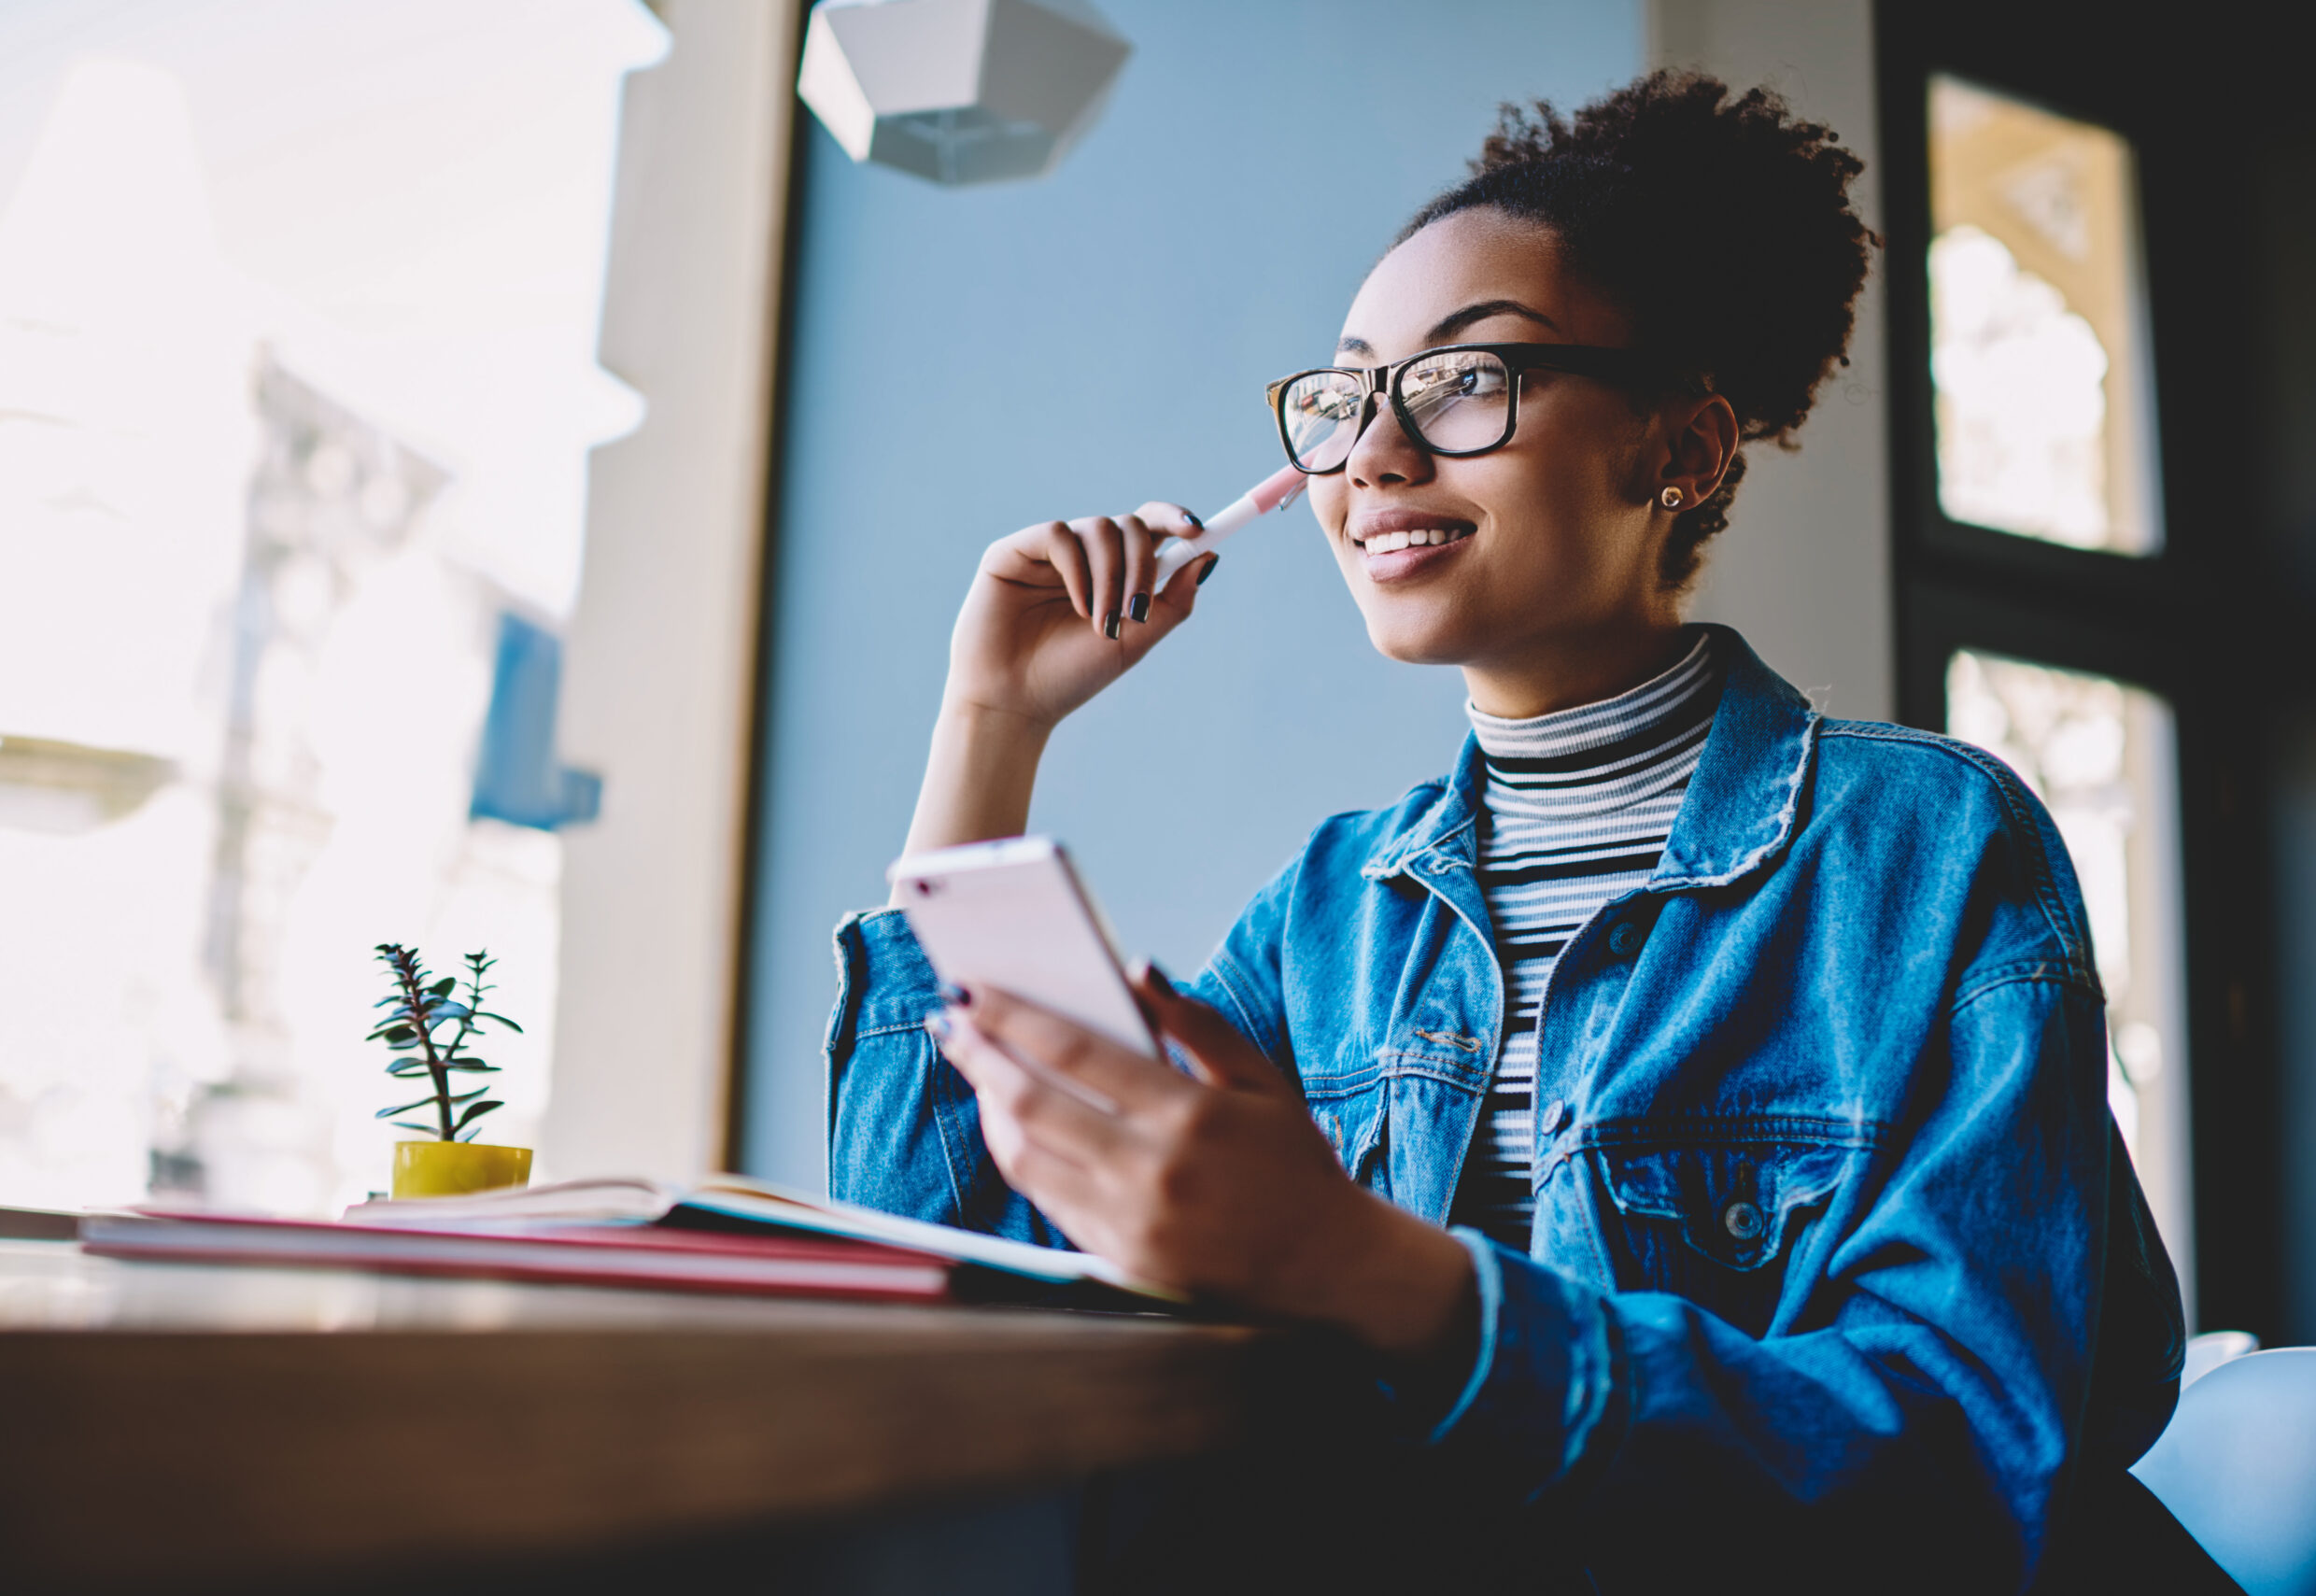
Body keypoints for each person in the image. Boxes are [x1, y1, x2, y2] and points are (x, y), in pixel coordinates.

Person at [825, 72, 2193, 1592]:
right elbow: (944, 1284)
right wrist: (990, 730)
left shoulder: (1925, 849)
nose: (1378, 457)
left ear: (1684, 449)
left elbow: (1967, 1454)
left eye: (1468, 382)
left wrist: (1371, 1271)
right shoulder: (1331, 913)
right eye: (1346, 399)